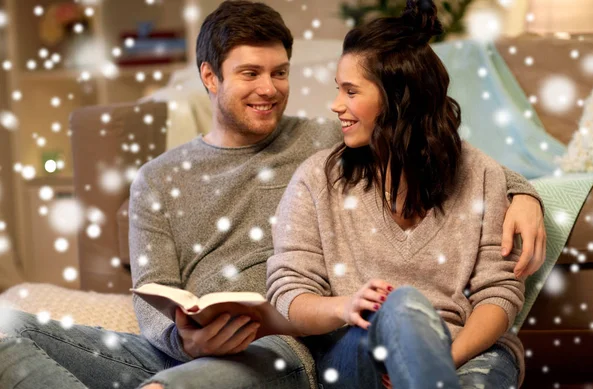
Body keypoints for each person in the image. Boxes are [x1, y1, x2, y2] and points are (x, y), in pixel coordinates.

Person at [0, 1, 541, 389]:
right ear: (210, 78)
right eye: (250, 73)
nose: (269, 89)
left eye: (279, 73)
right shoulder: (158, 179)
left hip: (279, 346)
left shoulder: (328, 142)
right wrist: (183, 341)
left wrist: (524, 195)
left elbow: (427, 143)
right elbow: (150, 295)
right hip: (180, 349)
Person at [266, 2, 529, 388]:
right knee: (399, 303)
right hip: (357, 355)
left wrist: (433, 361)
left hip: (466, 353)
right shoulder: (317, 180)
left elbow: (500, 293)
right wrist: (346, 307)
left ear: (397, 98)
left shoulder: (483, 176)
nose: (336, 105)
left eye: (350, 91)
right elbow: (289, 295)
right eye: (338, 89)